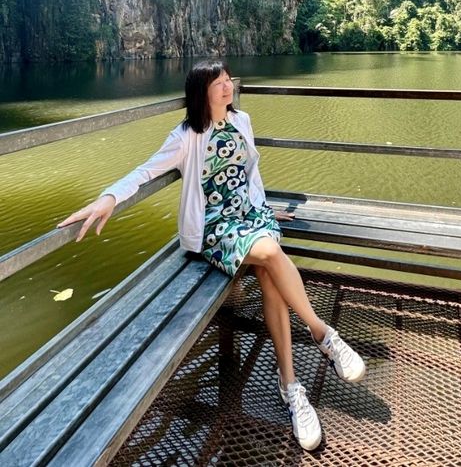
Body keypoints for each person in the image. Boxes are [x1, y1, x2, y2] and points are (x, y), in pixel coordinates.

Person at [58, 59, 366, 451]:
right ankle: (322, 333)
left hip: (251, 214)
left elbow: (251, 173)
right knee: (272, 252)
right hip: (215, 227)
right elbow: (144, 171)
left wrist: (264, 205)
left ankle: (291, 387)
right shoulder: (187, 135)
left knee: (272, 276)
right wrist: (108, 198)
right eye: (219, 83)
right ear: (202, 93)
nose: (227, 87)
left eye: (227, 80)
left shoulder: (243, 121)